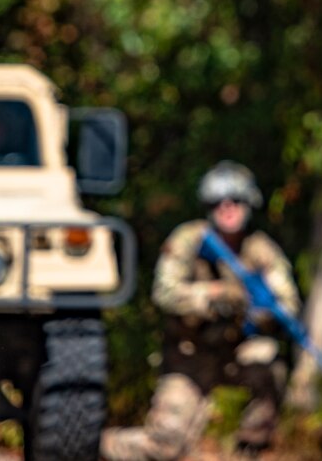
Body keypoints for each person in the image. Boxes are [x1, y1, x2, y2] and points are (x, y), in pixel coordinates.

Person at [101, 161, 301, 460]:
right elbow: (165, 292)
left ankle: (250, 447)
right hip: (189, 354)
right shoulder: (189, 240)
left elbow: (287, 302)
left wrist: (260, 311)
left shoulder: (261, 250)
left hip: (236, 350)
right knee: (165, 446)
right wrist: (213, 296)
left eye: (236, 201)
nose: (227, 208)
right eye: (218, 202)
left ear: (249, 205)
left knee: (269, 364)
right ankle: (94, 446)